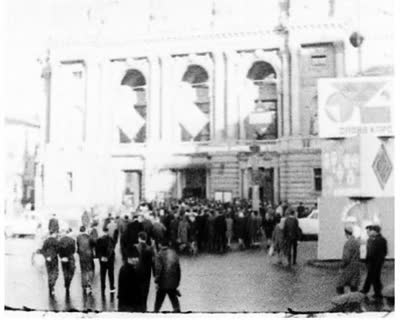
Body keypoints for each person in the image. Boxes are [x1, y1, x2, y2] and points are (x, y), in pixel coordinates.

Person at [360, 224, 388, 299]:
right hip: (371, 262)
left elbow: (383, 252)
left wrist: (379, 260)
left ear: (375, 231)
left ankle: (377, 293)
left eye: (370, 231)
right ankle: (370, 290)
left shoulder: (380, 240)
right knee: (372, 276)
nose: (368, 232)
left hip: (376, 262)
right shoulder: (371, 240)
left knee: (374, 277)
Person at [154, 239, 181, 312]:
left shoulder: (159, 254)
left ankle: (155, 311)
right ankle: (177, 310)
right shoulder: (174, 253)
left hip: (163, 282)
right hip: (173, 282)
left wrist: (156, 281)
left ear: (160, 245)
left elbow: (158, 270)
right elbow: (178, 269)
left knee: (159, 299)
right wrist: (177, 282)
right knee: (173, 297)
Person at [117, 246, 144, 312]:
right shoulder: (128, 270)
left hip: (128, 304)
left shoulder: (126, 269)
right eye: (134, 257)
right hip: (129, 305)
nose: (137, 259)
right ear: (129, 258)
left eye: (137, 257)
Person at [336, 226, 361, 294]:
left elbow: (346, 258)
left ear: (346, 234)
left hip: (348, 268)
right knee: (354, 286)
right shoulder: (356, 242)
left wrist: (341, 266)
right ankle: (355, 300)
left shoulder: (348, 243)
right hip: (355, 267)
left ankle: (342, 301)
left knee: (339, 286)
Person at [137, 231, 154, 311]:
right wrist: (155, 274)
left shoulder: (136, 248)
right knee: (145, 289)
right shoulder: (150, 249)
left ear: (139, 238)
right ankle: (144, 305)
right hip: (147, 272)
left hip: (137, 272)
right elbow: (153, 262)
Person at [96, 227, 116, 295]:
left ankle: (103, 287)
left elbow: (97, 250)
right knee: (111, 274)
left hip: (102, 259)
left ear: (102, 231)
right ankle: (112, 288)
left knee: (103, 273)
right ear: (108, 231)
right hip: (110, 259)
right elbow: (113, 249)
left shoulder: (99, 240)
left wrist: (101, 257)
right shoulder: (111, 239)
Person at [77, 226, 96, 295]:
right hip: (89, 256)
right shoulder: (89, 237)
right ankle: (90, 284)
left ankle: (84, 285)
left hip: (82, 256)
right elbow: (94, 243)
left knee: (83, 270)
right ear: (85, 230)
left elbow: (78, 247)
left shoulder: (78, 237)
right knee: (90, 269)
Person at [58, 228, 76, 295]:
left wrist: (61, 256)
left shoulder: (60, 240)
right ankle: (68, 282)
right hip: (70, 257)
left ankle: (66, 283)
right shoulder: (72, 240)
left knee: (65, 271)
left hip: (63, 258)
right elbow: (74, 250)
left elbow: (59, 250)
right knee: (71, 271)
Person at [40, 230, 59, 296]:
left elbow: (42, 250)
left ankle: (51, 288)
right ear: (53, 234)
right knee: (55, 274)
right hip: (54, 259)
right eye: (56, 233)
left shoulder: (46, 241)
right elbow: (58, 250)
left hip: (48, 260)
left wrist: (46, 257)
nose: (56, 234)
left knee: (50, 273)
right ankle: (52, 286)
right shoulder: (56, 241)